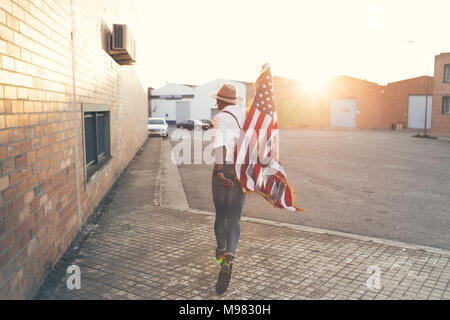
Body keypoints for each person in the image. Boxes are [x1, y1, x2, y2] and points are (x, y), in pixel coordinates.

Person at [209, 83, 246, 295]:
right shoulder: (245, 116)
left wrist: (219, 171)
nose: (216, 103)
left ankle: (222, 251)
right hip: (242, 171)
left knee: (220, 215)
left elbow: (220, 144)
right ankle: (229, 258)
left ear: (222, 101)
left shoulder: (220, 117)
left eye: (218, 100)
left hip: (225, 168)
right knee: (235, 218)